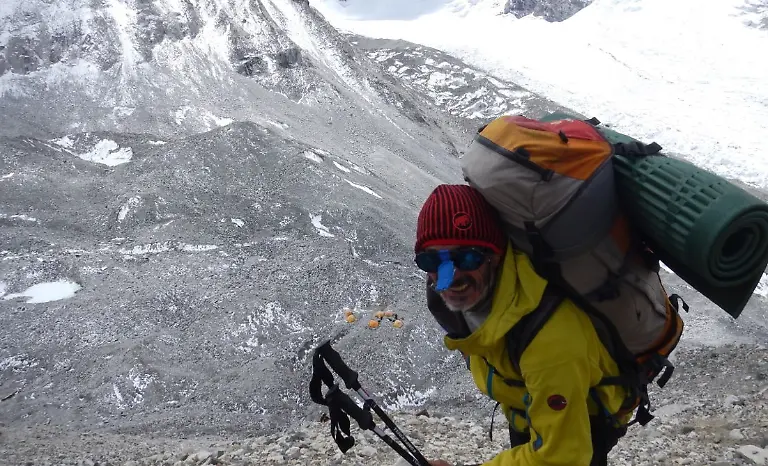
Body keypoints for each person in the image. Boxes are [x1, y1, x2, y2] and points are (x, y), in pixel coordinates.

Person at [413, 184, 632, 466]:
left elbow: (561, 458)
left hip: (583, 425)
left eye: (467, 257)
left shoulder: (550, 336)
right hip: (525, 409)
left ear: (497, 255)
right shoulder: (464, 300)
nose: (450, 277)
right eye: (432, 259)